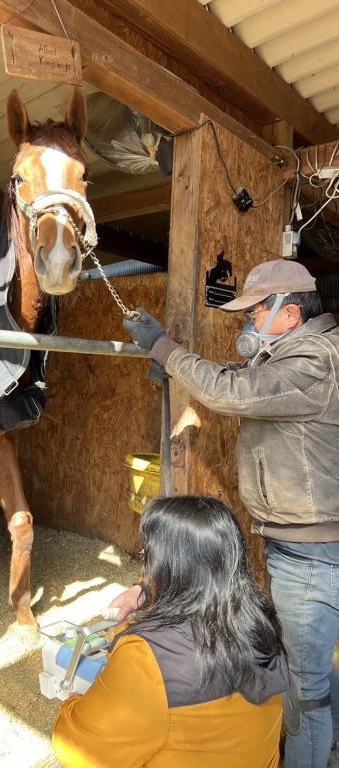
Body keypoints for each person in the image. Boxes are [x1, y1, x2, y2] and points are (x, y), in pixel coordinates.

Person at [122, 259, 339, 768]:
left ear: (291, 313)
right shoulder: (295, 354)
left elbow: (231, 391)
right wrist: (178, 368)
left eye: (257, 310)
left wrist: (163, 346)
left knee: (302, 686)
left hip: (312, 553)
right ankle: (329, 745)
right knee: (311, 664)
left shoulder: (316, 361)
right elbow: (239, 378)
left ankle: (312, 753)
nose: (250, 320)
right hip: (300, 545)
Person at [52, 495, 289, 768]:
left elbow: (77, 752)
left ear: (165, 565)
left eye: (147, 555)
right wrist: (144, 589)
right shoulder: (260, 623)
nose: (146, 563)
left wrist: (71, 704)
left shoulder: (148, 659)